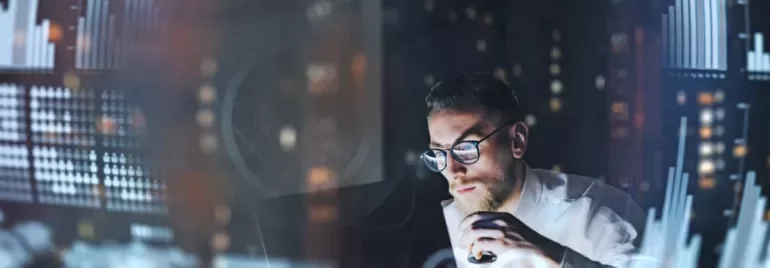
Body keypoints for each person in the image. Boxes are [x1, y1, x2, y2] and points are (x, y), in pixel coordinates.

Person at [421, 72, 646, 267]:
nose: (452, 170)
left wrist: (544, 253)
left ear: (516, 141)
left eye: (467, 149)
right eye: (439, 153)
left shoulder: (595, 215)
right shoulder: (435, 232)